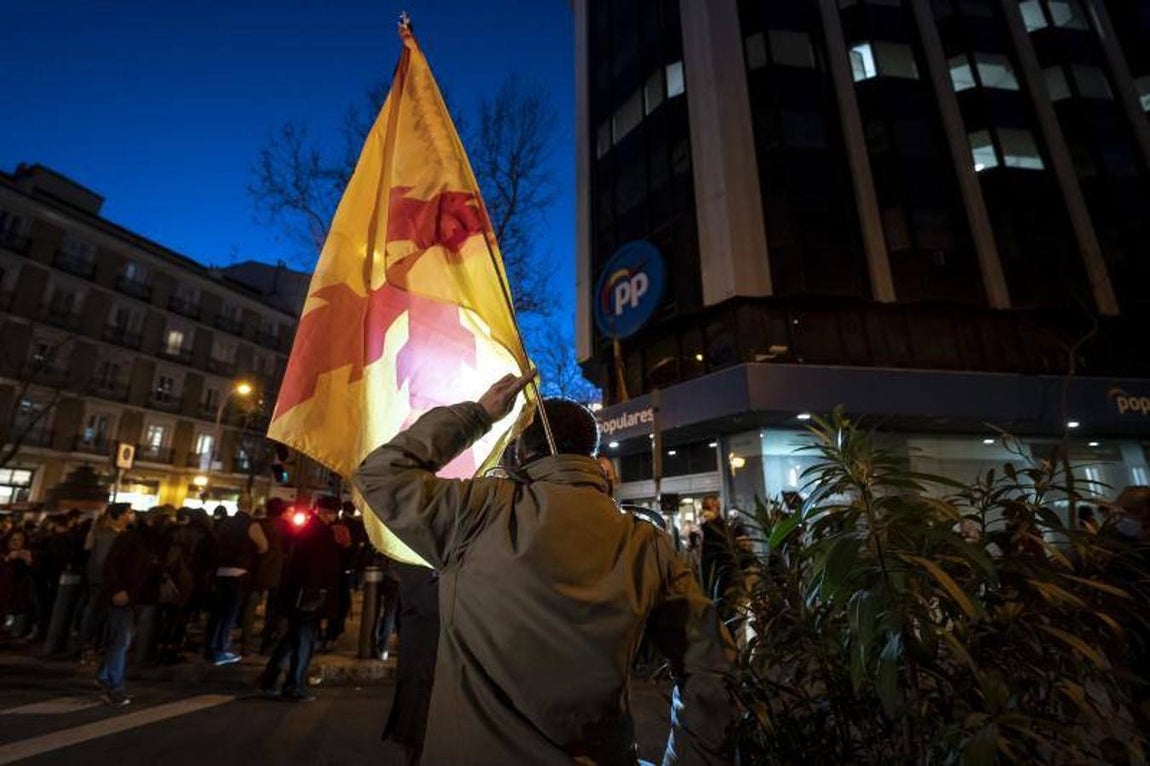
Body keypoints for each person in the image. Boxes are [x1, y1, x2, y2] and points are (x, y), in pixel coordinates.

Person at [353, 372, 736, 765]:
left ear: (521, 453)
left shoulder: (479, 512)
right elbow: (711, 667)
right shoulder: (646, 543)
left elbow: (380, 473)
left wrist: (479, 415)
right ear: (591, 455)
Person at [258, 496, 341, 702]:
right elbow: (316, 567)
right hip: (308, 595)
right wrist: (317, 593)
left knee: (291, 638)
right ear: (326, 512)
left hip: (297, 592)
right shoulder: (320, 533)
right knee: (304, 641)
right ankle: (294, 684)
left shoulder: (306, 530)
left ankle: (270, 679)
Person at [96, 507, 161, 706]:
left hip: (133, 596)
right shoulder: (130, 539)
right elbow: (112, 565)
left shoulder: (143, 542)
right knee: (120, 641)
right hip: (124, 595)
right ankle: (114, 686)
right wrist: (118, 589)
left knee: (121, 640)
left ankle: (107, 676)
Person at [204, 503, 267, 665]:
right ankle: (221, 649)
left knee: (216, 614)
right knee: (228, 614)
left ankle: (209, 647)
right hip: (238, 572)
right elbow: (263, 547)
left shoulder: (225, 523)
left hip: (221, 570)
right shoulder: (251, 525)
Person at [79, 504, 133, 661]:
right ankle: (88, 645)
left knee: (106, 614)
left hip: (113, 580)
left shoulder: (124, 534)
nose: (131, 515)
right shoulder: (104, 534)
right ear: (120, 515)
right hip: (102, 580)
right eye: (129, 512)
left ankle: (100, 644)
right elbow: (100, 559)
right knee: (95, 613)